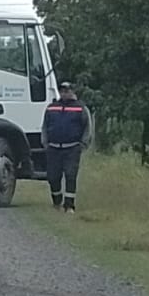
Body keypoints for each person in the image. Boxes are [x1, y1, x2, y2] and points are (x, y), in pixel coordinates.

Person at [41, 80, 92, 213]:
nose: (64, 93)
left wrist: (83, 143)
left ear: (72, 92)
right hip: (53, 148)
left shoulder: (80, 108)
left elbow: (87, 127)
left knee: (70, 176)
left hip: (72, 148)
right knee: (53, 177)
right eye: (62, 91)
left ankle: (69, 206)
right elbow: (45, 126)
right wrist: (45, 142)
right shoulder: (51, 107)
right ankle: (57, 202)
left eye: (67, 91)